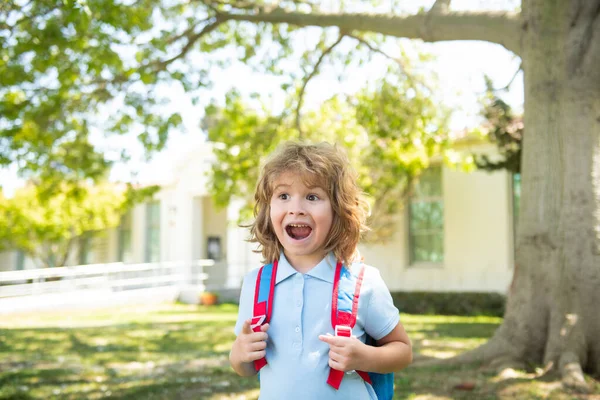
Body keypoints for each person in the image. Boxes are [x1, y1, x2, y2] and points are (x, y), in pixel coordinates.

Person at [229, 141, 412, 399]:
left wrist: (365, 357)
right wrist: (240, 354)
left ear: (338, 210)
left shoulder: (363, 281)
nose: (296, 208)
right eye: (283, 196)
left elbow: (402, 351)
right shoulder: (255, 285)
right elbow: (244, 367)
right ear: (268, 210)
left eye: (312, 197)